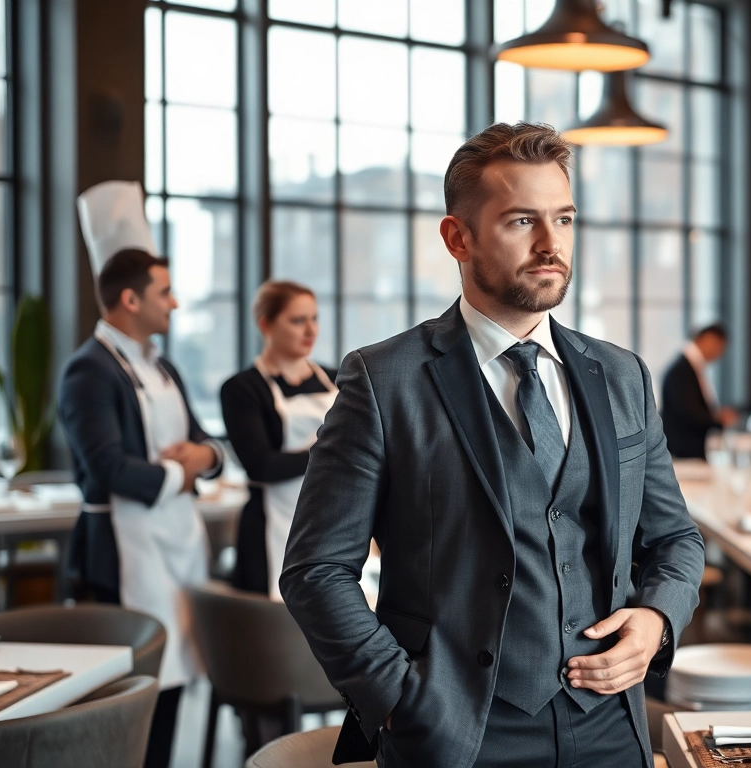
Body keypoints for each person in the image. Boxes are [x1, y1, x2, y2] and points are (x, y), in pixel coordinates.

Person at [279, 123, 705, 768]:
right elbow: (316, 570)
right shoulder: (384, 380)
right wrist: (398, 698)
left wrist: (656, 622)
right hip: (458, 731)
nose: (550, 243)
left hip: (611, 726)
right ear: (458, 237)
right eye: (520, 221)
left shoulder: (623, 376)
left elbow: (675, 538)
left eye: (563, 218)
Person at [60, 181, 224, 768]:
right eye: (165, 292)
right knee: (131, 702)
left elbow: (206, 445)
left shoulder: (163, 366)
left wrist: (202, 460)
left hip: (175, 544)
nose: (174, 304)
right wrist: (183, 472)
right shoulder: (89, 372)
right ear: (130, 301)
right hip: (122, 553)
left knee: (175, 679)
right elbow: (108, 469)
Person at [221, 281, 338, 600]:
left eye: (314, 318)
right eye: (298, 320)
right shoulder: (242, 389)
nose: (310, 330)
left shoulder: (338, 378)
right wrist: (333, 452)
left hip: (334, 521)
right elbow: (261, 465)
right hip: (269, 528)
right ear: (266, 324)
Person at [660, 323, 738, 459]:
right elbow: (688, 412)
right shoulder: (681, 370)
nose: (720, 353)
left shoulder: (691, 367)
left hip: (686, 451)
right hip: (682, 453)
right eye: (720, 347)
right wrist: (718, 420)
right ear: (708, 339)